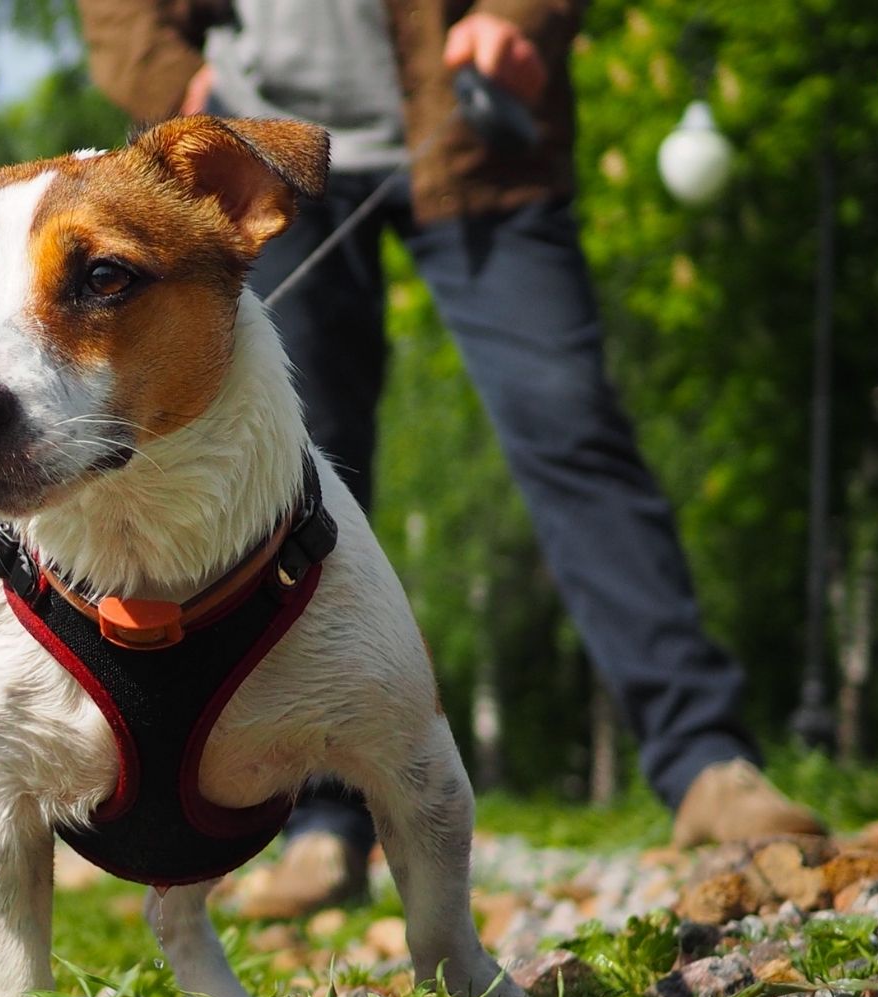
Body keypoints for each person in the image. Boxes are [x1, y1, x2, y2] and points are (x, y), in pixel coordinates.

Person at [77, 0, 825, 915]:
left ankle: (707, 759)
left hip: (474, 136)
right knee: (287, 477)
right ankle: (320, 823)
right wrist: (169, 82)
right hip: (259, 152)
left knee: (570, 429)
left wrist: (518, 15)